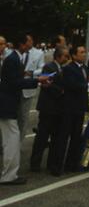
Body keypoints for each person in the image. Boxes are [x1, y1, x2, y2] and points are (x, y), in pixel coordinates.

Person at [0, 33, 48, 185]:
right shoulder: (12, 59)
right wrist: (37, 80)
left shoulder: (14, 58)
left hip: (8, 105)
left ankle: (10, 174)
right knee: (11, 141)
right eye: (29, 41)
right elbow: (15, 83)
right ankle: (8, 175)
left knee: (11, 140)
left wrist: (28, 76)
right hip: (6, 105)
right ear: (22, 44)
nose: (31, 43)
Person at [30, 45, 69, 176]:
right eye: (65, 56)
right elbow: (47, 84)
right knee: (42, 136)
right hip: (48, 107)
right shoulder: (49, 67)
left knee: (56, 137)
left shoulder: (62, 68)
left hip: (58, 108)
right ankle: (35, 163)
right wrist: (60, 91)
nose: (66, 58)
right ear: (58, 56)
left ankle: (52, 163)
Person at [59, 44, 89, 173]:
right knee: (64, 136)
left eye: (85, 52)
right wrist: (87, 86)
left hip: (80, 107)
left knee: (76, 137)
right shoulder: (68, 69)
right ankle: (58, 165)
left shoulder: (85, 68)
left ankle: (71, 164)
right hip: (69, 107)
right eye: (81, 52)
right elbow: (71, 85)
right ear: (74, 55)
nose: (84, 54)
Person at [17, 34, 45, 140]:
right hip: (16, 88)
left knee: (23, 118)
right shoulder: (19, 52)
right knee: (11, 116)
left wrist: (31, 73)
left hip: (28, 89)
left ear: (32, 41)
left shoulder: (39, 53)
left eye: (29, 40)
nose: (27, 42)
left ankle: (19, 142)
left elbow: (42, 68)